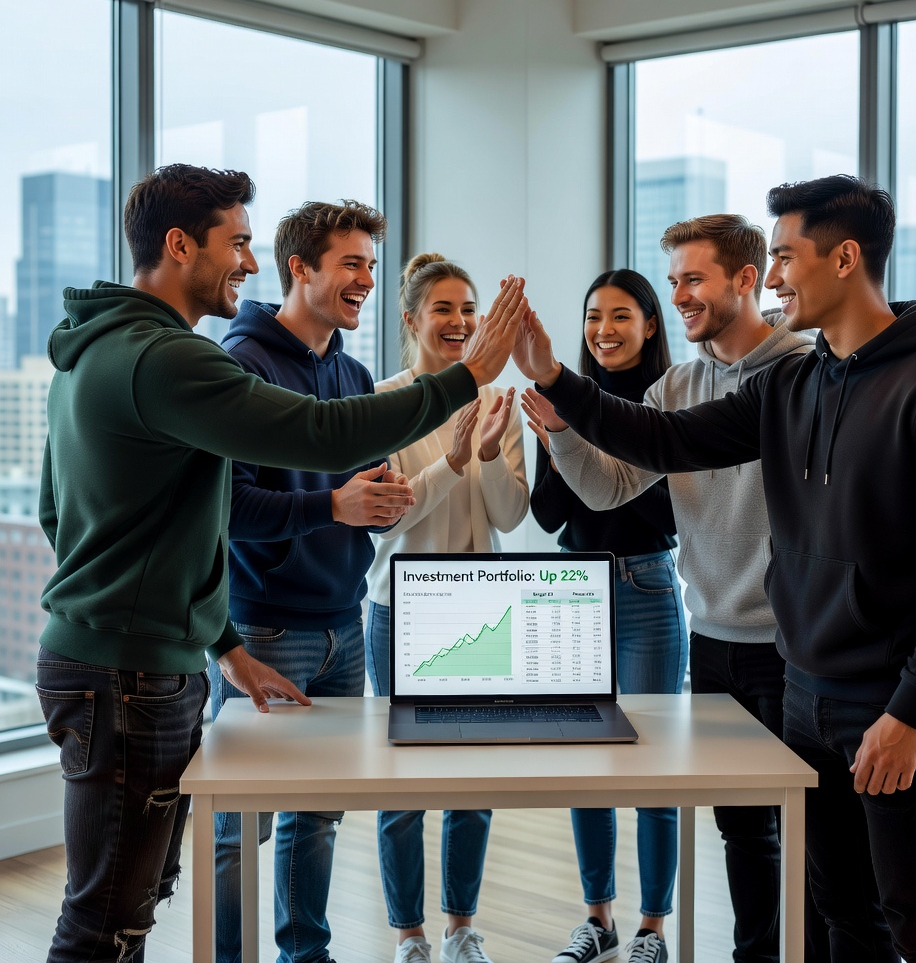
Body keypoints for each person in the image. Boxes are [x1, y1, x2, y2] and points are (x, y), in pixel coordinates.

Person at [34, 164, 526, 963]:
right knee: (105, 918)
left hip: (131, 660)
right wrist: (469, 376)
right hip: (127, 674)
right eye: (237, 244)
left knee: (130, 903)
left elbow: (69, 517)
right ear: (178, 245)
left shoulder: (96, 352)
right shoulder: (170, 359)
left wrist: (220, 642)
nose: (251, 264)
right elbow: (320, 439)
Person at [514, 174, 916, 963]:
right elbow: (663, 442)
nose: (772, 276)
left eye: (784, 256)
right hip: (806, 690)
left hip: (891, 705)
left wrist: (913, 711)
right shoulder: (796, 384)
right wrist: (555, 379)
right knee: (840, 907)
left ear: (845, 258)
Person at [527, 220, 822, 963]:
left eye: (694, 279)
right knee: (744, 833)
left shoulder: (804, 372)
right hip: (714, 643)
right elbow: (607, 488)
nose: (681, 293)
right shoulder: (679, 385)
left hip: (792, 648)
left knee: (816, 838)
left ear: (747, 279)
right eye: (675, 279)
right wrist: (563, 431)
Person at [210, 200, 413, 963]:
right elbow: (227, 507)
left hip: (343, 624)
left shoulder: (353, 373)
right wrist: (334, 502)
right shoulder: (242, 366)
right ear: (300, 267)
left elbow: (360, 508)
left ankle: (306, 954)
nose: (365, 278)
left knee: (317, 815)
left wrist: (382, 505)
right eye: (350, 263)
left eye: (370, 263)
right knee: (242, 822)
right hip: (264, 628)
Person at [364, 252, 530, 963]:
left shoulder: (498, 401)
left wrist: (488, 455)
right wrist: (451, 461)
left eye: (470, 310)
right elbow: (388, 519)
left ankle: (462, 929)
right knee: (402, 787)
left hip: (479, 610)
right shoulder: (383, 400)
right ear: (411, 319)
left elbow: (512, 515)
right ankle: (409, 936)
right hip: (399, 611)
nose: (460, 322)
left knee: (473, 783)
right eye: (444, 309)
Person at [527, 269, 686, 963]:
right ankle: (599, 919)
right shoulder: (563, 402)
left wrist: (588, 454)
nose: (604, 331)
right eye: (594, 316)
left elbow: (663, 512)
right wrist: (560, 447)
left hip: (648, 589)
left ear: (650, 325)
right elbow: (551, 513)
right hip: (574, 590)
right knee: (586, 765)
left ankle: (653, 928)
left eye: (622, 316)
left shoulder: (669, 402)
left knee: (652, 768)